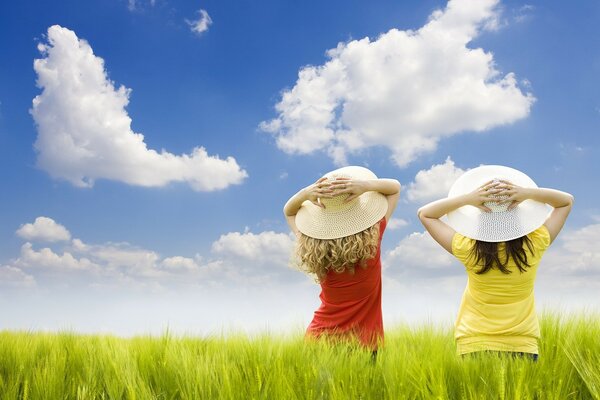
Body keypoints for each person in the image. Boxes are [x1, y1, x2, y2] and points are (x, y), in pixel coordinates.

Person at [417, 165, 573, 359]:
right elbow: (566, 202)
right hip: (522, 343)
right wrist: (528, 193)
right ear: (518, 212)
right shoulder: (535, 243)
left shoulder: (467, 247)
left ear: (481, 214)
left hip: (474, 342)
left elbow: (425, 214)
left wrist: (468, 199)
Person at [284, 166, 401, 353]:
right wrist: (365, 186)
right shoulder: (372, 238)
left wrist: (305, 193)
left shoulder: (311, 244)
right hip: (365, 343)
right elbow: (394, 187)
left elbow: (289, 212)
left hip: (319, 341)